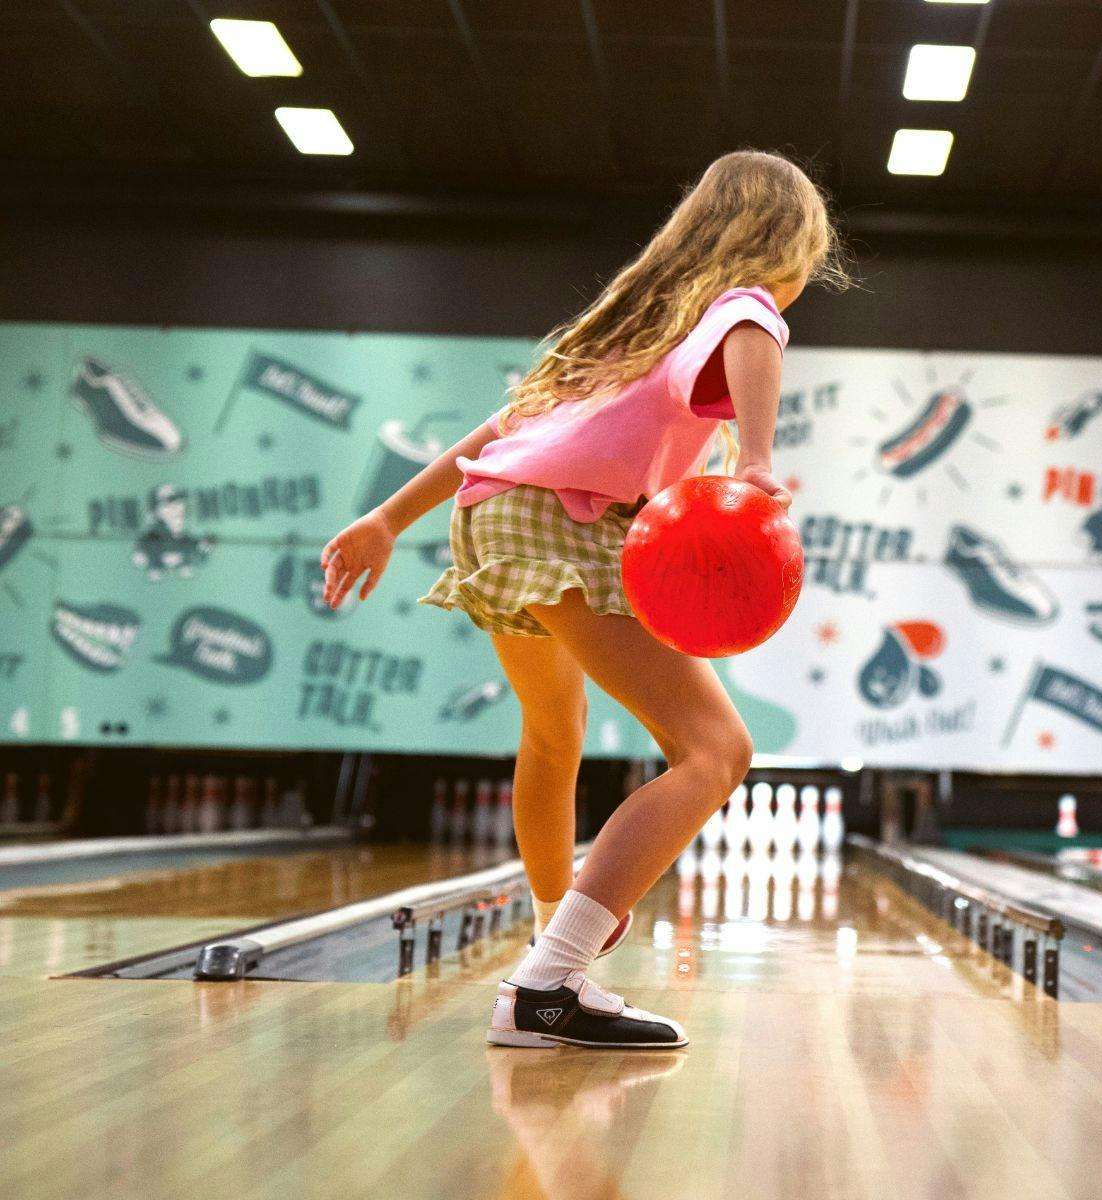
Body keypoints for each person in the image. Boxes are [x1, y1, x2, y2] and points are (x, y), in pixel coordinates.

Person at [320, 150, 848, 1049]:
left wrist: (387, 517)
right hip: (562, 521)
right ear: (788, 248)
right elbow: (754, 322)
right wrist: (757, 461)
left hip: (494, 512)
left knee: (552, 735)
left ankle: (550, 949)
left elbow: (500, 432)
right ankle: (547, 984)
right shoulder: (738, 306)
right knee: (716, 751)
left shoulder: (633, 324)